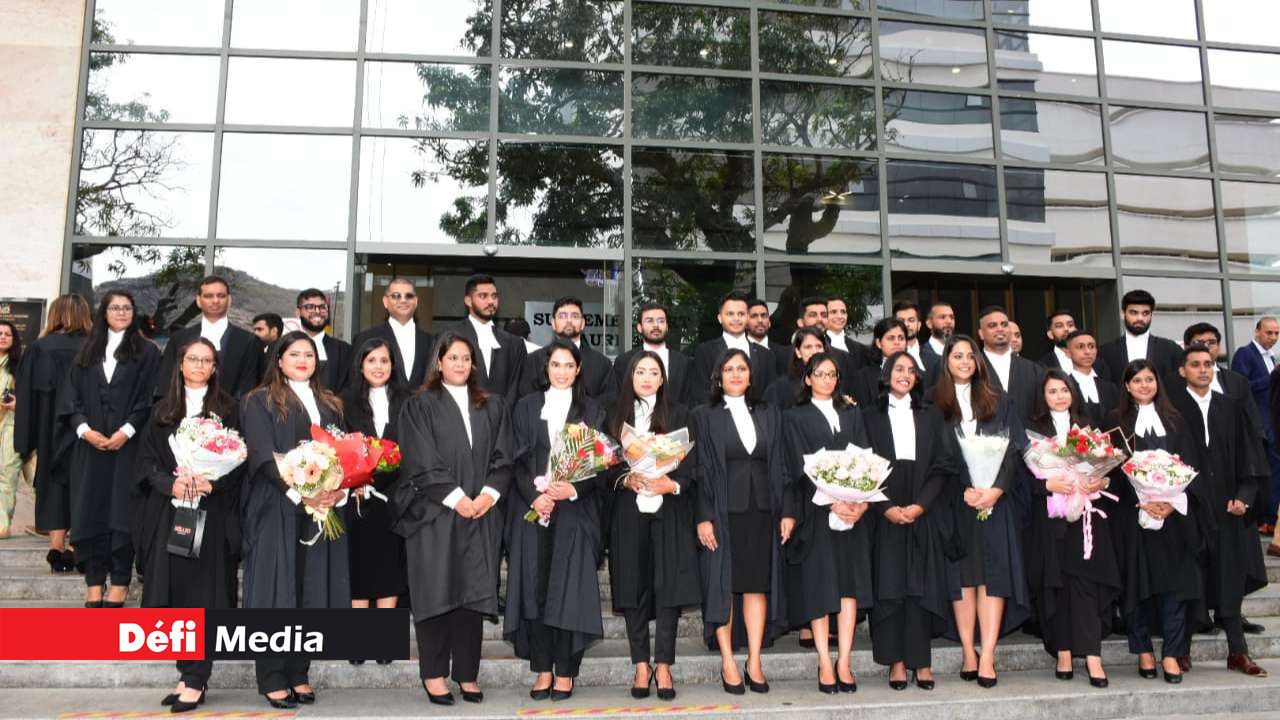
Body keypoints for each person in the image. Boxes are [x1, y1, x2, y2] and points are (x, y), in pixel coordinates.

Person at [392, 331, 512, 706]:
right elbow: (420, 458)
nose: (460, 363)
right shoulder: (419, 405)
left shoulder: (492, 405)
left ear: (473, 363)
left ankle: (466, 673)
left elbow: (504, 455)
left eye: (466, 358)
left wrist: (488, 494)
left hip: (481, 513)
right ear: (438, 362)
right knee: (435, 594)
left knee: (472, 594)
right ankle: (433, 674)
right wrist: (457, 498)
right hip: (435, 513)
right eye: (453, 357)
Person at [241, 331, 349, 709]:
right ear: (279, 359)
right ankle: (272, 676)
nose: (303, 360)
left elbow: (342, 454)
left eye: (309, 354)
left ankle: (299, 671)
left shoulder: (330, 403)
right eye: (295, 354)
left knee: (309, 592)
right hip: (277, 505)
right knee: (275, 592)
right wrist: (302, 493)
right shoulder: (259, 400)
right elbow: (261, 454)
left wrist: (337, 490)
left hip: (321, 509)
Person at [133, 337, 241, 712]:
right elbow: (146, 463)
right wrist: (171, 484)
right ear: (180, 365)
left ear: (215, 367)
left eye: (206, 360)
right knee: (177, 593)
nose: (199, 365)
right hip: (172, 512)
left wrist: (213, 483)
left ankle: (197, 677)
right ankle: (186, 672)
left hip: (212, 514)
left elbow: (242, 461)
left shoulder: (229, 409)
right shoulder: (162, 409)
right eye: (193, 359)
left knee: (203, 595)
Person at [506, 340, 605, 701]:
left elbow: (602, 465)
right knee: (535, 591)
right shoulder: (526, 406)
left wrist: (573, 489)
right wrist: (535, 496)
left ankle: (565, 671)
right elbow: (515, 460)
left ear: (578, 370)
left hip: (575, 512)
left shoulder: (592, 410)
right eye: (555, 365)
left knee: (569, 592)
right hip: (533, 511)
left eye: (568, 365)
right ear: (545, 368)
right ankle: (543, 669)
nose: (561, 371)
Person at [693, 349, 795, 695]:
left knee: (756, 586)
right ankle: (728, 661)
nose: (736, 374)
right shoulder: (704, 415)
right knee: (723, 585)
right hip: (722, 513)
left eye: (742, 368)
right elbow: (700, 470)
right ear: (718, 376)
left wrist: (788, 511)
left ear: (751, 376)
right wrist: (704, 517)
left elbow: (782, 463)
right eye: (728, 369)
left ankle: (754, 660)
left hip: (762, 512)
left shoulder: (769, 412)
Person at [931, 336, 1030, 688]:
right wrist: (962, 490)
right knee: (962, 578)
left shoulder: (999, 400)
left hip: (995, 502)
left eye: (970, 356)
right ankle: (967, 651)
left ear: (978, 362)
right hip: (954, 503)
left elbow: (1014, 450)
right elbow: (931, 456)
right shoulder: (933, 403)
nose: (964, 362)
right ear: (946, 361)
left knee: (992, 577)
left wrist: (995, 490)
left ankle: (987, 654)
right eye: (957, 356)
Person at [1168, 347, 1270, 678]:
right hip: (1187, 507)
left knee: (1230, 578)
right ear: (1182, 371)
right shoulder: (1171, 408)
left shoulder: (1231, 406)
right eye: (1195, 365)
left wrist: (1245, 496)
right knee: (1190, 578)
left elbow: (1250, 455)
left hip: (1228, 507)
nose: (1203, 370)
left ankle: (1238, 651)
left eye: (1208, 364)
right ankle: (1180, 649)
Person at [605, 351, 698, 701]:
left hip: (669, 508)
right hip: (628, 511)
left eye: (653, 372)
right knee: (632, 586)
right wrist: (625, 479)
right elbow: (604, 465)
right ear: (630, 377)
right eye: (640, 371)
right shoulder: (614, 415)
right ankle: (641, 664)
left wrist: (671, 483)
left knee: (668, 585)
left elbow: (694, 466)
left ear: (662, 379)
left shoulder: (681, 414)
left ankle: (664, 665)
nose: (646, 378)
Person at [861, 352, 957, 691]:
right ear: (886, 374)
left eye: (911, 370)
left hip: (921, 508)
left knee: (920, 587)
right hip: (883, 511)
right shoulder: (868, 416)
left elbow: (943, 465)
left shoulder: (932, 415)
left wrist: (920, 506)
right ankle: (897, 663)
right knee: (890, 589)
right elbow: (861, 464)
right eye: (899, 369)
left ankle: (921, 661)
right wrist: (885, 506)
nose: (905, 374)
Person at [61, 290, 161, 607]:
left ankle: (119, 581)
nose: (121, 312)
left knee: (122, 515)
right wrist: (84, 430)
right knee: (89, 512)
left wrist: (126, 431)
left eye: (127, 307)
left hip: (129, 447)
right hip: (89, 447)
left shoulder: (147, 352)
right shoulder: (86, 350)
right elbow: (70, 397)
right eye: (115, 307)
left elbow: (150, 398)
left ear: (134, 312)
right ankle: (93, 581)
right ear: (103, 312)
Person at [1105, 360, 1202, 684]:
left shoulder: (1176, 420)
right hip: (1132, 518)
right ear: (1127, 386)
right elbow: (1111, 470)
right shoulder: (1115, 422)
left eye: (1149, 379)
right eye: (1137, 381)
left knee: (1175, 588)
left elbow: (1190, 465)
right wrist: (1142, 500)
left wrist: (1171, 503)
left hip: (1174, 519)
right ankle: (1143, 650)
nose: (1144, 385)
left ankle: (1171, 653)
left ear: (1157, 383)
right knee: (1136, 586)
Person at [1024, 371, 1121, 688]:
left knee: (1086, 585)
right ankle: (1062, 652)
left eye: (1064, 390)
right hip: (1050, 519)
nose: (1059, 396)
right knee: (1057, 585)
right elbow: (1020, 478)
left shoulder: (1090, 425)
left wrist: (1100, 482)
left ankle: (1093, 655)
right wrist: (1047, 485)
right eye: (1052, 391)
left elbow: (1109, 471)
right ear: (1043, 397)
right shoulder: (1032, 430)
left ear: (1073, 393)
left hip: (1087, 518)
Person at [784, 353, 873, 695]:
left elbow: (865, 457)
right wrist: (832, 499)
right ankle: (824, 660)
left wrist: (860, 502)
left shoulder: (852, 412)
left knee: (849, 588)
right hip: (816, 512)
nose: (827, 380)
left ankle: (845, 661)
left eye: (832, 374)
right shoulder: (794, 417)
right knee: (820, 587)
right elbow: (797, 466)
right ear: (807, 378)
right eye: (820, 374)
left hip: (853, 512)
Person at [339, 338, 408, 662]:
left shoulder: (408, 401)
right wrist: (353, 480)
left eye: (384, 360)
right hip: (357, 497)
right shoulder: (345, 401)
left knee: (390, 569)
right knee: (360, 568)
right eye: (372, 361)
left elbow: (414, 446)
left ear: (393, 365)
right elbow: (338, 447)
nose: (378, 366)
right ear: (360, 365)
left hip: (396, 497)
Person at [14, 294, 91, 571]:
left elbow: (26, 398)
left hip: (49, 429)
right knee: (84, 485)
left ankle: (56, 546)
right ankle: (77, 546)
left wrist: (25, 441)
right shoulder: (95, 347)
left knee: (52, 483)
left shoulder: (38, 348)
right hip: (87, 429)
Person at [155, 276, 263, 398]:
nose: (215, 301)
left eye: (221, 296)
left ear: (229, 300)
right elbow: (166, 386)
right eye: (208, 296)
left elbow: (250, 389)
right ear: (198, 301)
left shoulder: (249, 341)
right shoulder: (179, 339)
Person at [518, 296, 615, 403]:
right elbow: (526, 402)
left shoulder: (601, 364)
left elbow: (609, 403)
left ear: (583, 323)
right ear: (553, 323)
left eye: (574, 316)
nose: (569, 321)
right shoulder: (534, 360)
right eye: (562, 316)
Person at [1234, 316, 1279, 535]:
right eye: (1269, 332)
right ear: (1257, 332)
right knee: (1266, 474)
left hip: (1273, 424)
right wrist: (1273, 377)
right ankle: (1266, 519)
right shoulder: (1245, 354)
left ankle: (1272, 519)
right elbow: (1240, 387)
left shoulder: (1271, 357)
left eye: (1277, 333)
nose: (1273, 337)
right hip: (1259, 426)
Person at [690, 291, 778, 405]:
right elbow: (701, 393)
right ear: (720, 318)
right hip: (717, 414)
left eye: (741, 314)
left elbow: (772, 396)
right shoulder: (704, 352)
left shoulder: (766, 355)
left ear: (747, 317)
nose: (736, 318)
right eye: (730, 314)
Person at [450, 274, 526, 402]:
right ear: (468, 301)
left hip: (503, 413)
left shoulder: (514, 344)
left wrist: (502, 412)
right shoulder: (451, 337)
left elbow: (517, 390)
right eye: (483, 296)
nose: (491, 301)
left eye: (494, 296)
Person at [350, 277, 437, 389]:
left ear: (416, 302)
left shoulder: (432, 342)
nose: (403, 300)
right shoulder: (364, 339)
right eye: (396, 296)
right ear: (385, 302)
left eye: (409, 296)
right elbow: (355, 383)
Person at [612, 302, 692, 406]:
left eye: (661, 321)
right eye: (649, 320)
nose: (656, 325)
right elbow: (619, 400)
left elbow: (689, 400)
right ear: (639, 327)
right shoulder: (624, 361)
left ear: (667, 327)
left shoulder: (683, 362)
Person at [1097, 289, 1183, 383]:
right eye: (1134, 313)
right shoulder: (1105, 352)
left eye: (1145, 313)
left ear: (1151, 315)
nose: (1140, 318)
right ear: (1122, 314)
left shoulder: (1171, 349)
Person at [977, 306, 1044, 422]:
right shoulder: (972, 369)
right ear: (981, 333)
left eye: (1004, 325)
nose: (1000, 329)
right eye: (992, 325)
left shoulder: (1033, 370)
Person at [295, 289, 351, 392]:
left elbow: (349, 388)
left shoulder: (344, 349)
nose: (317, 311)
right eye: (310, 307)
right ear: (298, 312)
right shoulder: (281, 347)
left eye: (322, 307)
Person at [1063, 330, 1120, 429]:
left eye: (1091, 346)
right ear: (1068, 352)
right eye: (1080, 347)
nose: (1087, 352)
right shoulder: (1064, 387)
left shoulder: (1110, 388)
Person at [847, 318, 907, 406]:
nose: (897, 342)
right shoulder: (863, 377)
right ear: (879, 343)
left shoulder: (916, 375)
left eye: (901, 338)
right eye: (891, 338)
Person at [763, 327, 828, 410]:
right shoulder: (779, 388)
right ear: (798, 352)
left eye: (819, 346)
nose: (814, 351)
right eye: (808, 347)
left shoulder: (832, 382)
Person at [0, 321, 22, 538]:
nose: (3, 337)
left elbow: (31, 395)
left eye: (8, 334)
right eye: (0, 333)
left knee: (7, 472)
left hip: (10, 423)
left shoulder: (19, 366)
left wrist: (19, 404)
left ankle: (2, 524)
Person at [825, 295, 873, 370]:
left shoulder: (859, 349)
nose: (840, 316)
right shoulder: (818, 345)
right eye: (833, 312)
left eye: (843, 312)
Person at [747, 298, 790, 377]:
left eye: (764, 316)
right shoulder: (738, 350)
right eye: (754, 316)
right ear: (745, 323)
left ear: (769, 322)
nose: (760, 320)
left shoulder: (784, 353)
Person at [892, 301, 929, 375]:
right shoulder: (885, 356)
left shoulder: (935, 359)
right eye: (901, 321)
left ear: (919, 325)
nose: (906, 324)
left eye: (911, 320)